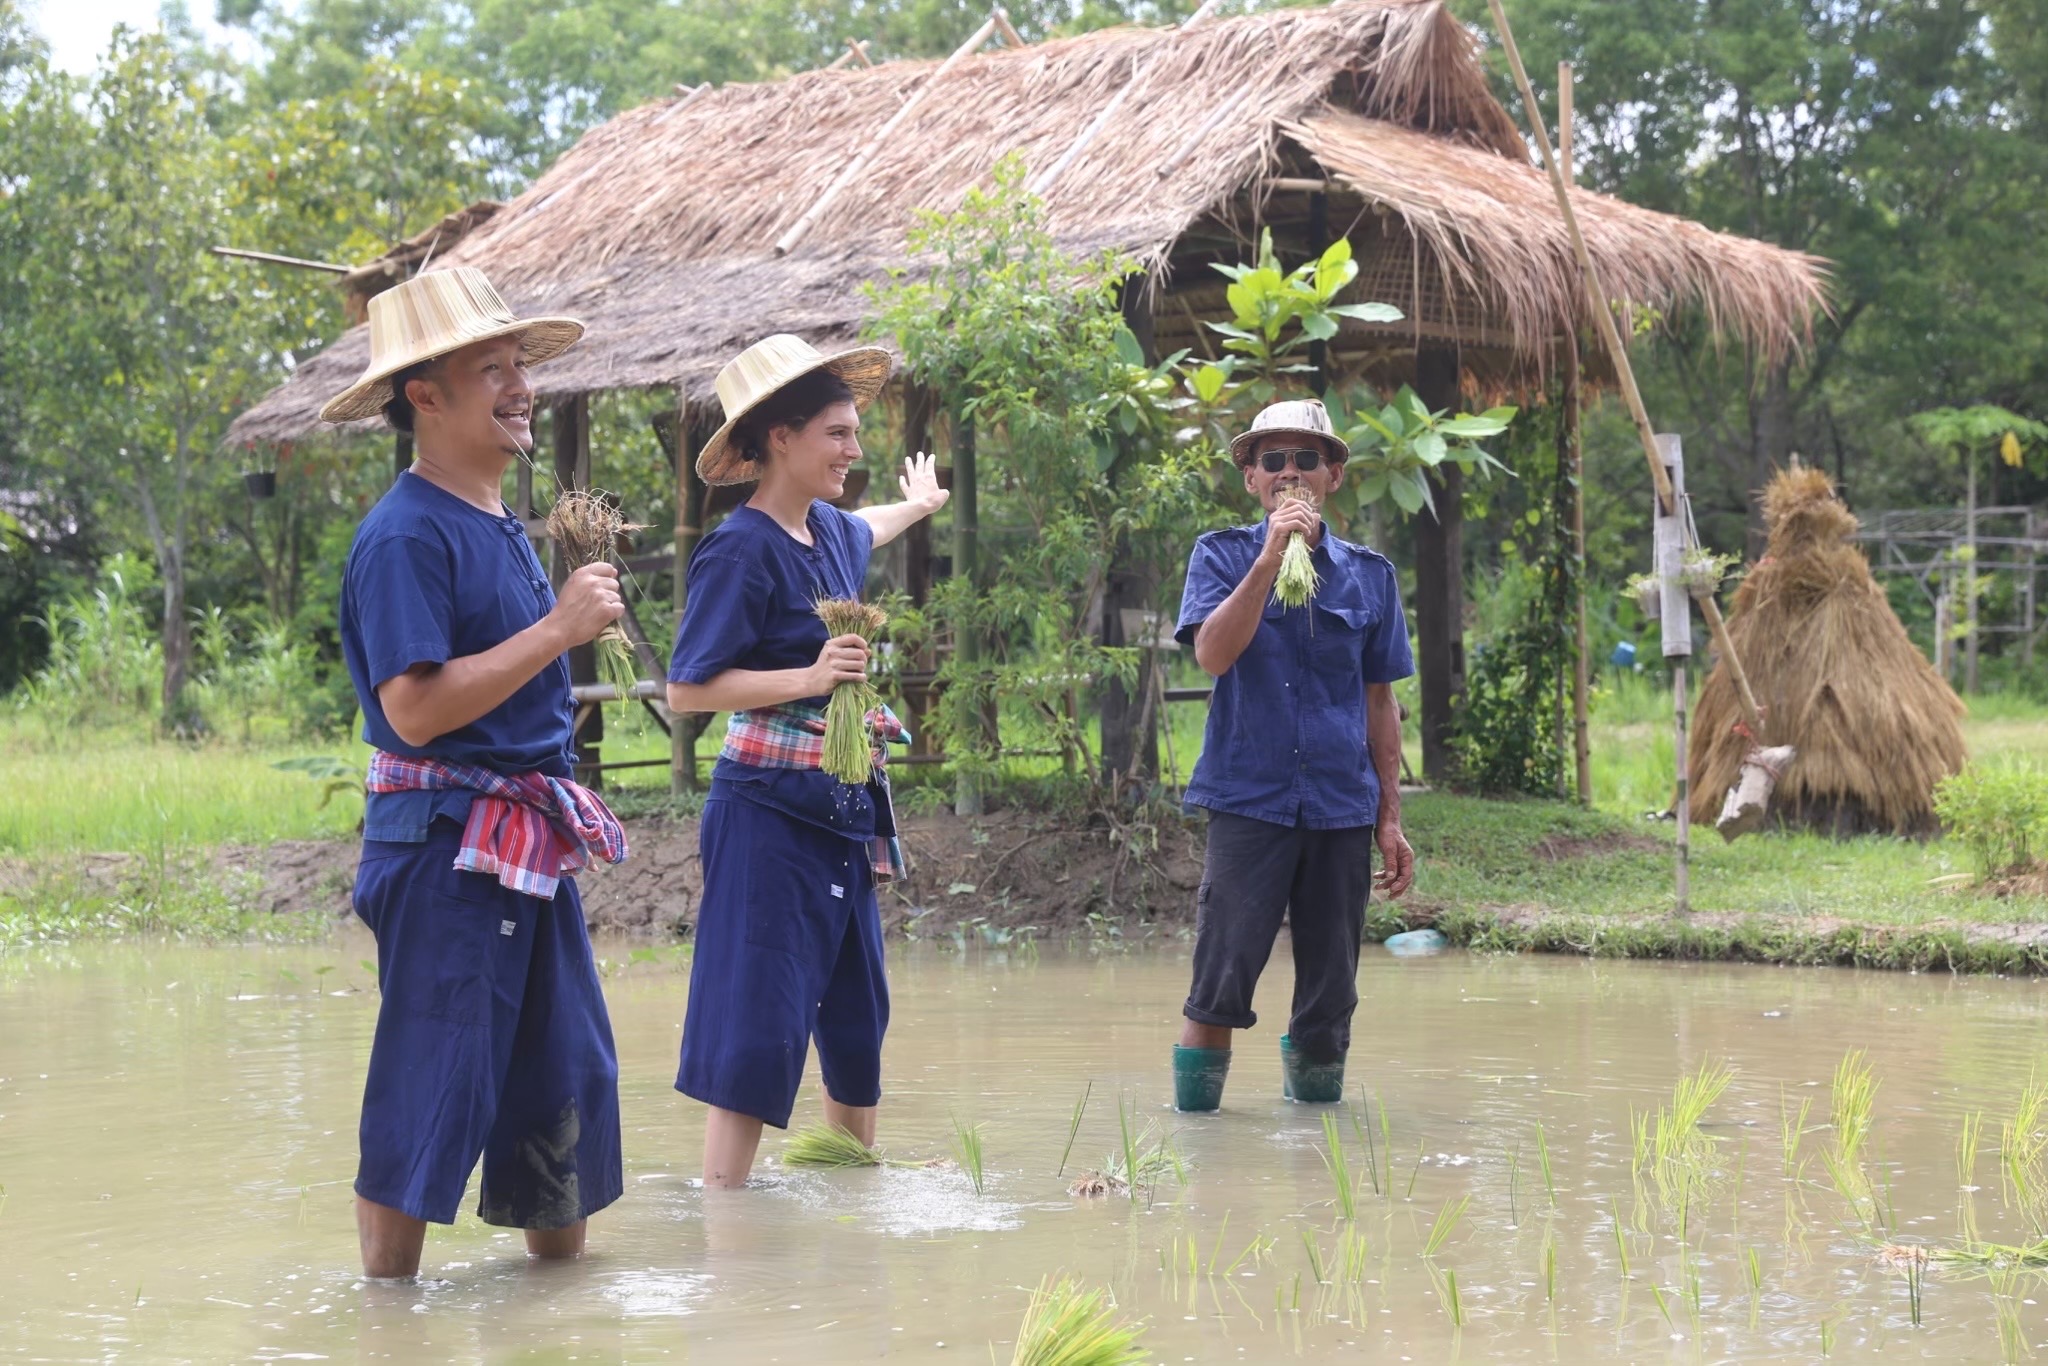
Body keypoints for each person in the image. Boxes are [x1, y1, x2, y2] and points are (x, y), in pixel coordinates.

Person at [325, 266, 629, 1277]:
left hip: (522, 841)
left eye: (518, 368)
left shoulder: (492, 521)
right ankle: (384, 1323)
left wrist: (556, 626)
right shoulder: (404, 534)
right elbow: (411, 711)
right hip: (449, 848)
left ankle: (560, 1312)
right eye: (490, 369)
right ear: (424, 396)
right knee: (433, 1079)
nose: (520, 387)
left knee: (564, 1077)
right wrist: (558, 629)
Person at [665, 335, 947, 1188]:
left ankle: (850, 1188)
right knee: (756, 1026)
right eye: (836, 433)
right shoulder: (738, 550)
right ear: (779, 439)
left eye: (855, 432)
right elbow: (687, 691)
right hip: (766, 815)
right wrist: (812, 675)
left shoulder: (829, 530)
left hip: (841, 814)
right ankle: (727, 1212)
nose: (854, 450)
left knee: (859, 1019)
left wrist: (921, 506)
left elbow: (868, 524)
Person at [1169, 398, 1417, 1112]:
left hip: (1341, 805)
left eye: (1306, 459)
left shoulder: (1370, 576)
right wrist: (1272, 554)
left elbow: (1380, 703)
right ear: (1251, 477)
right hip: (1249, 798)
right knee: (1220, 979)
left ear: (1333, 474)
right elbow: (1214, 655)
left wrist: (1390, 817)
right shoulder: (1220, 555)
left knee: (1331, 995)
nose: (1289, 473)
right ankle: (1200, 1143)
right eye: (1271, 460)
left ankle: (1317, 1143)